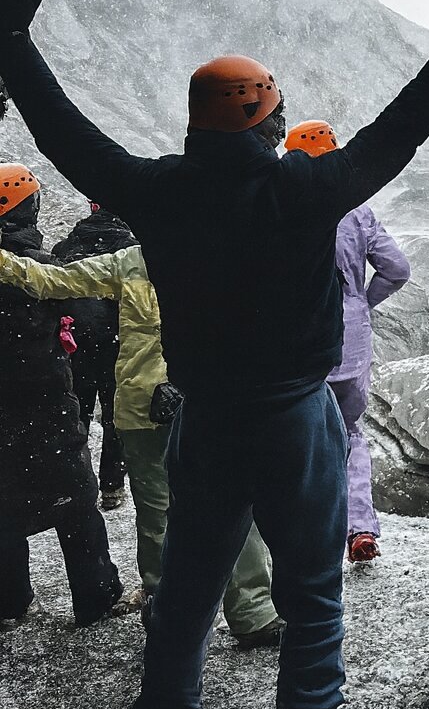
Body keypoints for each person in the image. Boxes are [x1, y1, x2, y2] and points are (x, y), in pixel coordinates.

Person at [0, 0, 429, 709]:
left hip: (203, 421)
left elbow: (65, 135)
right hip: (296, 420)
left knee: (184, 607)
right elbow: (399, 131)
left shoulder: (156, 190)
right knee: (313, 601)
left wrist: (11, 43)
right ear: (267, 119)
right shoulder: (308, 187)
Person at [0, 239, 283, 647]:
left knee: (165, 512)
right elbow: (52, 280)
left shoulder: (134, 261)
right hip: (189, 405)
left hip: (164, 404)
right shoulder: (220, 255)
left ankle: (170, 608)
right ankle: (246, 614)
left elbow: (52, 281)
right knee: (221, 506)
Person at [0, 163, 123, 627]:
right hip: (47, 402)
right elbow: (83, 315)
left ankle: (9, 599)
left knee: (4, 500)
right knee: (76, 503)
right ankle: (95, 597)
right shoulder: (44, 270)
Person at [284, 120, 411, 563]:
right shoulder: (357, 211)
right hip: (351, 345)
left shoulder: (282, 203)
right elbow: (397, 268)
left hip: (299, 344)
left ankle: (306, 534)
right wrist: (361, 302)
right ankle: (359, 526)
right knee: (351, 433)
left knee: (299, 438)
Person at [53, 201, 134, 509]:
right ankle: (112, 487)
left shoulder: (66, 247)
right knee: (116, 419)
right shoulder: (131, 249)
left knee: (77, 415)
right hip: (117, 344)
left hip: (75, 345)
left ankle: (76, 483)